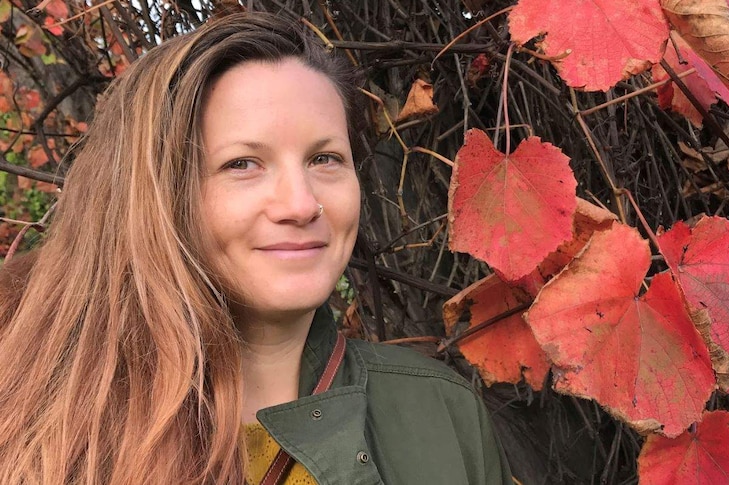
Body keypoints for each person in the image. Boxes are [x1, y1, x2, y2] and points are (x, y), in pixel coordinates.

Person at [0, 12, 513, 485]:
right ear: (152, 194)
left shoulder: (439, 412)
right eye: (243, 163)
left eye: (325, 158)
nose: (301, 203)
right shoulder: (32, 418)